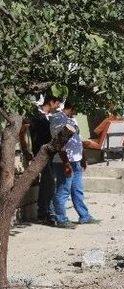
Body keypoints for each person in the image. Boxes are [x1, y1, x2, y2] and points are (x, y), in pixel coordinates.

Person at [50, 99, 98, 227]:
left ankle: (85, 216)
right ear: (71, 107)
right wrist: (66, 163)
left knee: (77, 190)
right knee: (63, 190)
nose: (77, 113)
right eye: (76, 110)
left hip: (76, 161)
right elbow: (59, 144)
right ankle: (61, 219)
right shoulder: (58, 118)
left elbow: (78, 140)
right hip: (64, 161)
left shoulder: (71, 119)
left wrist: (83, 158)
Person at [19, 94, 62, 224]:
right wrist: (26, 150)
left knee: (49, 183)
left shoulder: (52, 117)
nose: (59, 106)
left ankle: (46, 211)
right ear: (51, 102)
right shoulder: (34, 115)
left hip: (53, 155)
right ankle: (45, 212)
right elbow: (21, 132)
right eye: (58, 103)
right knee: (48, 183)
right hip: (41, 155)